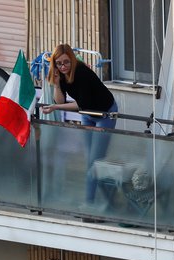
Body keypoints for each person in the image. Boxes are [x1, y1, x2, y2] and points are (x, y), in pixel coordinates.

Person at [41, 44, 117, 209]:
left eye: (66, 62)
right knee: (91, 162)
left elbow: (80, 105)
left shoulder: (81, 72)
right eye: (59, 63)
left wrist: (55, 108)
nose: (63, 66)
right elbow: (59, 100)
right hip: (89, 115)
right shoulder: (60, 74)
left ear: (72, 60)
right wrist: (56, 84)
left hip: (104, 113)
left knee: (94, 161)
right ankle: (109, 202)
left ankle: (91, 203)